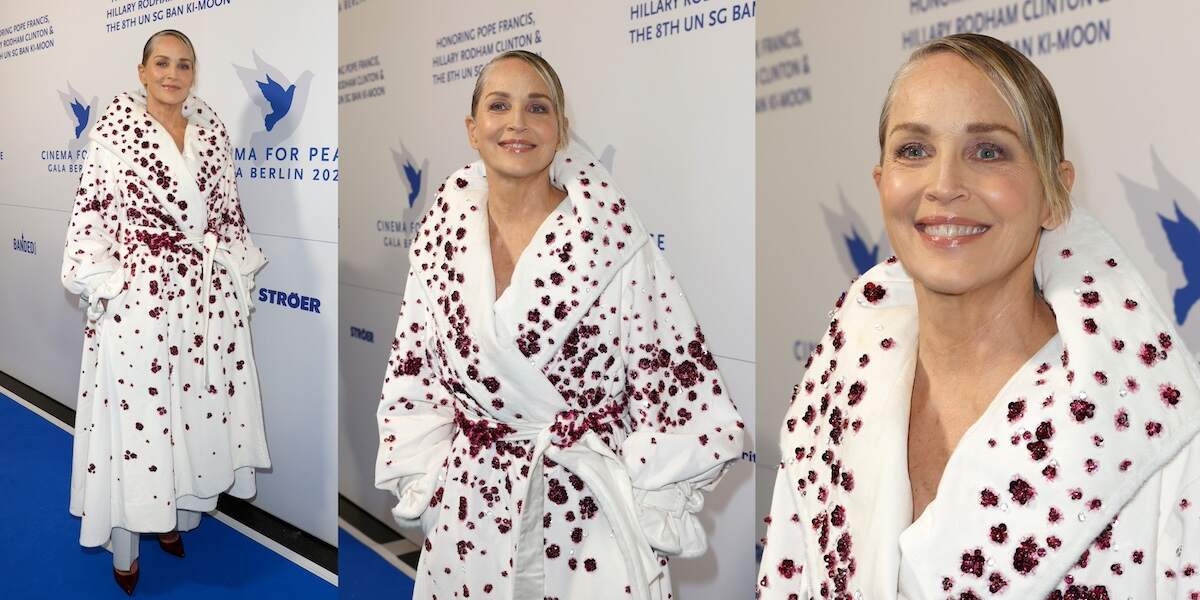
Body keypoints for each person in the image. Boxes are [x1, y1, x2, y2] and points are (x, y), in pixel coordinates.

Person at [756, 33, 1200, 599]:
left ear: (1054, 194)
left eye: (988, 151)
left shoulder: (1162, 430)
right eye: (914, 151)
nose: (943, 186)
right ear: (881, 183)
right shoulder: (833, 392)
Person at [374, 50, 744, 600]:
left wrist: (651, 503)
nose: (518, 122)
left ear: (561, 129)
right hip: (471, 511)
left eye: (538, 107)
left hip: (589, 520)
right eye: (499, 106)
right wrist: (427, 485)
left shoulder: (615, 243)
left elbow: (679, 389)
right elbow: (413, 374)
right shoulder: (438, 243)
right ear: (473, 131)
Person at [61, 29, 269, 595]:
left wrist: (231, 271)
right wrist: (114, 286)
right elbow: (92, 218)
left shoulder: (212, 130)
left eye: (183, 64)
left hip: (204, 304)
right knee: (140, 423)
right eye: (161, 63)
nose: (172, 74)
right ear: (142, 69)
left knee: (193, 412)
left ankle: (176, 514)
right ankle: (127, 544)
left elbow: (228, 212)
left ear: (193, 73)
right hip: (140, 304)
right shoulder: (113, 134)